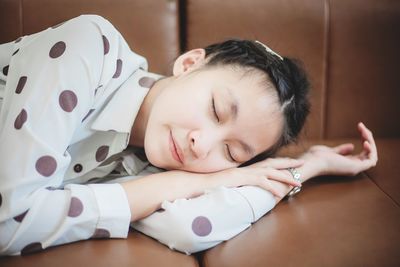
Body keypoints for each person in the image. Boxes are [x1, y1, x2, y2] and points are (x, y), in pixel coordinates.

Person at [0, 14, 378, 256]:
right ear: (190, 63)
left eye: (232, 153)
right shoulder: (86, 48)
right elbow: (10, 221)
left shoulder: (154, 167)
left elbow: (187, 230)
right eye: (216, 109)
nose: (203, 145)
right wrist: (211, 176)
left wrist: (303, 169)